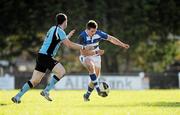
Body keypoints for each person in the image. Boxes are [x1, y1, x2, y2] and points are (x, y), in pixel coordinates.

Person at [11, 13, 101, 104]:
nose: (67, 23)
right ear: (65, 22)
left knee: (35, 81)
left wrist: (67, 37)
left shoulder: (52, 28)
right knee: (61, 72)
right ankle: (46, 91)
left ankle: (17, 96)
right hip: (47, 56)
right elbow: (69, 45)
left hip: (41, 56)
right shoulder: (60, 31)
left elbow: (56, 41)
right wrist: (84, 47)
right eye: (67, 21)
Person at [78, 20, 130, 101]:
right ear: (87, 29)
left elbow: (111, 39)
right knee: (91, 66)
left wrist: (122, 44)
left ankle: (86, 95)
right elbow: (83, 52)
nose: (94, 33)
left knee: (95, 78)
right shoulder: (82, 36)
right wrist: (95, 52)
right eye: (92, 31)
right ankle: (98, 89)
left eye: (95, 31)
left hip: (96, 56)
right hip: (85, 56)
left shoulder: (98, 33)